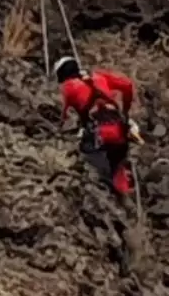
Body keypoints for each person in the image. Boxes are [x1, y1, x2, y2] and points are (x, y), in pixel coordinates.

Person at [55, 56, 142, 196]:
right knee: (118, 162)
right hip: (119, 128)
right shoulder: (98, 76)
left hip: (99, 134)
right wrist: (125, 111)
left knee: (91, 160)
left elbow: (63, 116)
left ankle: (109, 190)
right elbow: (127, 85)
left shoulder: (68, 87)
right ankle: (125, 192)